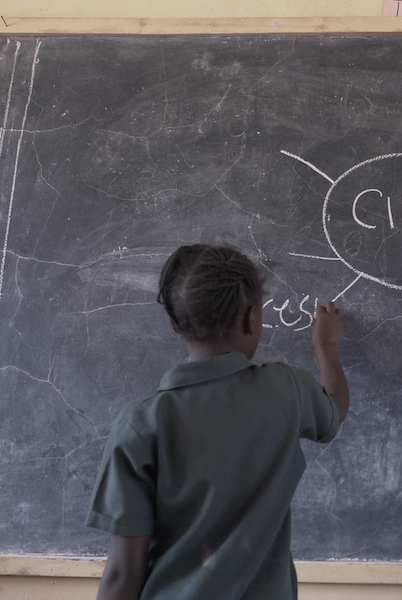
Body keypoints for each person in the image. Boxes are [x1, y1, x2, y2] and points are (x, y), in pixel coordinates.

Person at [85, 244, 349, 600]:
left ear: (175, 324)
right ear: (253, 318)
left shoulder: (140, 424)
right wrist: (327, 348)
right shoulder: (288, 391)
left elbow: (122, 573)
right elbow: (334, 408)